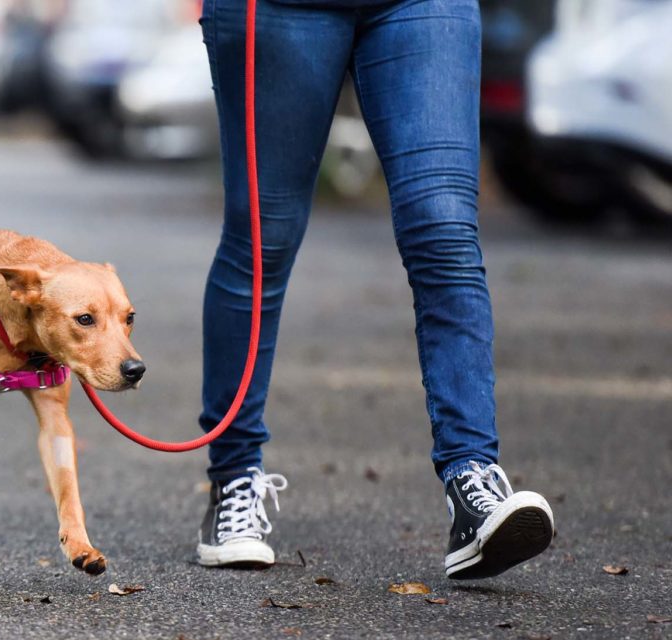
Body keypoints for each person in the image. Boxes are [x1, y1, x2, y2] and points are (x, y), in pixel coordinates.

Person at [194, 0, 556, 579]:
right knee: (263, 239)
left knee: (443, 228)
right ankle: (234, 479)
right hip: (282, 11)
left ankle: (473, 483)